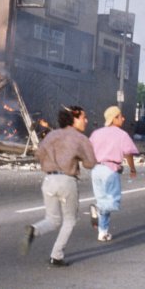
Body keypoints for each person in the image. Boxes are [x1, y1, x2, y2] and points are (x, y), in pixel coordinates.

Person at [20, 105, 96, 267]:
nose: (86, 120)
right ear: (74, 119)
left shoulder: (52, 135)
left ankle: (34, 230)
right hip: (67, 181)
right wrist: (78, 158)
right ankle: (57, 255)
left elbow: (38, 153)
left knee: (52, 219)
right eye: (83, 117)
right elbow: (90, 163)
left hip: (49, 180)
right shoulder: (81, 138)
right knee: (70, 220)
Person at [87, 106, 138, 243]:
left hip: (96, 170)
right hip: (110, 169)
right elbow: (128, 153)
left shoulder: (96, 133)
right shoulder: (122, 135)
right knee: (113, 202)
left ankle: (102, 233)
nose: (123, 118)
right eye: (120, 116)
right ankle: (97, 209)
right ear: (114, 118)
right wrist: (132, 169)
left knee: (102, 200)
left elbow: (88, 150)